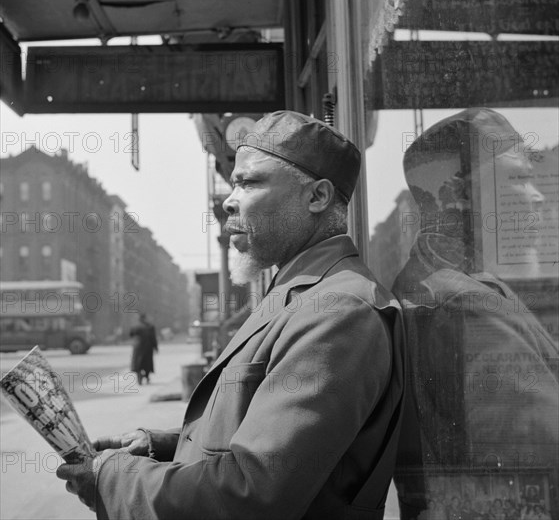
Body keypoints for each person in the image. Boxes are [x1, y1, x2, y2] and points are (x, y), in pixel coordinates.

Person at [57, 110, 405, 519]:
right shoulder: (304, 294)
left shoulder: (340, 312)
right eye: (234, 182)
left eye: (250, 182)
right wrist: (161, 446)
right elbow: (260, 432)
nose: (229, 201)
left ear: (317, 197)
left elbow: (254, 490)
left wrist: (113, 478)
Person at [392, 108, 559, 519]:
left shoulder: (436, 282)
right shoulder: (464, 305)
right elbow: (540, 461)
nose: (537, 195)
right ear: (462, 194)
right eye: (519, 178)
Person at [129, 312, 158, 385]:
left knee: (137, 363)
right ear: (145, 318)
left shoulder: (135, 326)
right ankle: (147, 376)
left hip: (137, 347)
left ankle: (139, 375)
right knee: (147, 363)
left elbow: (131, 334)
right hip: (147, 347)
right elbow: (153, 338)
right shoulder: (150, 326)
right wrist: (155, 347)